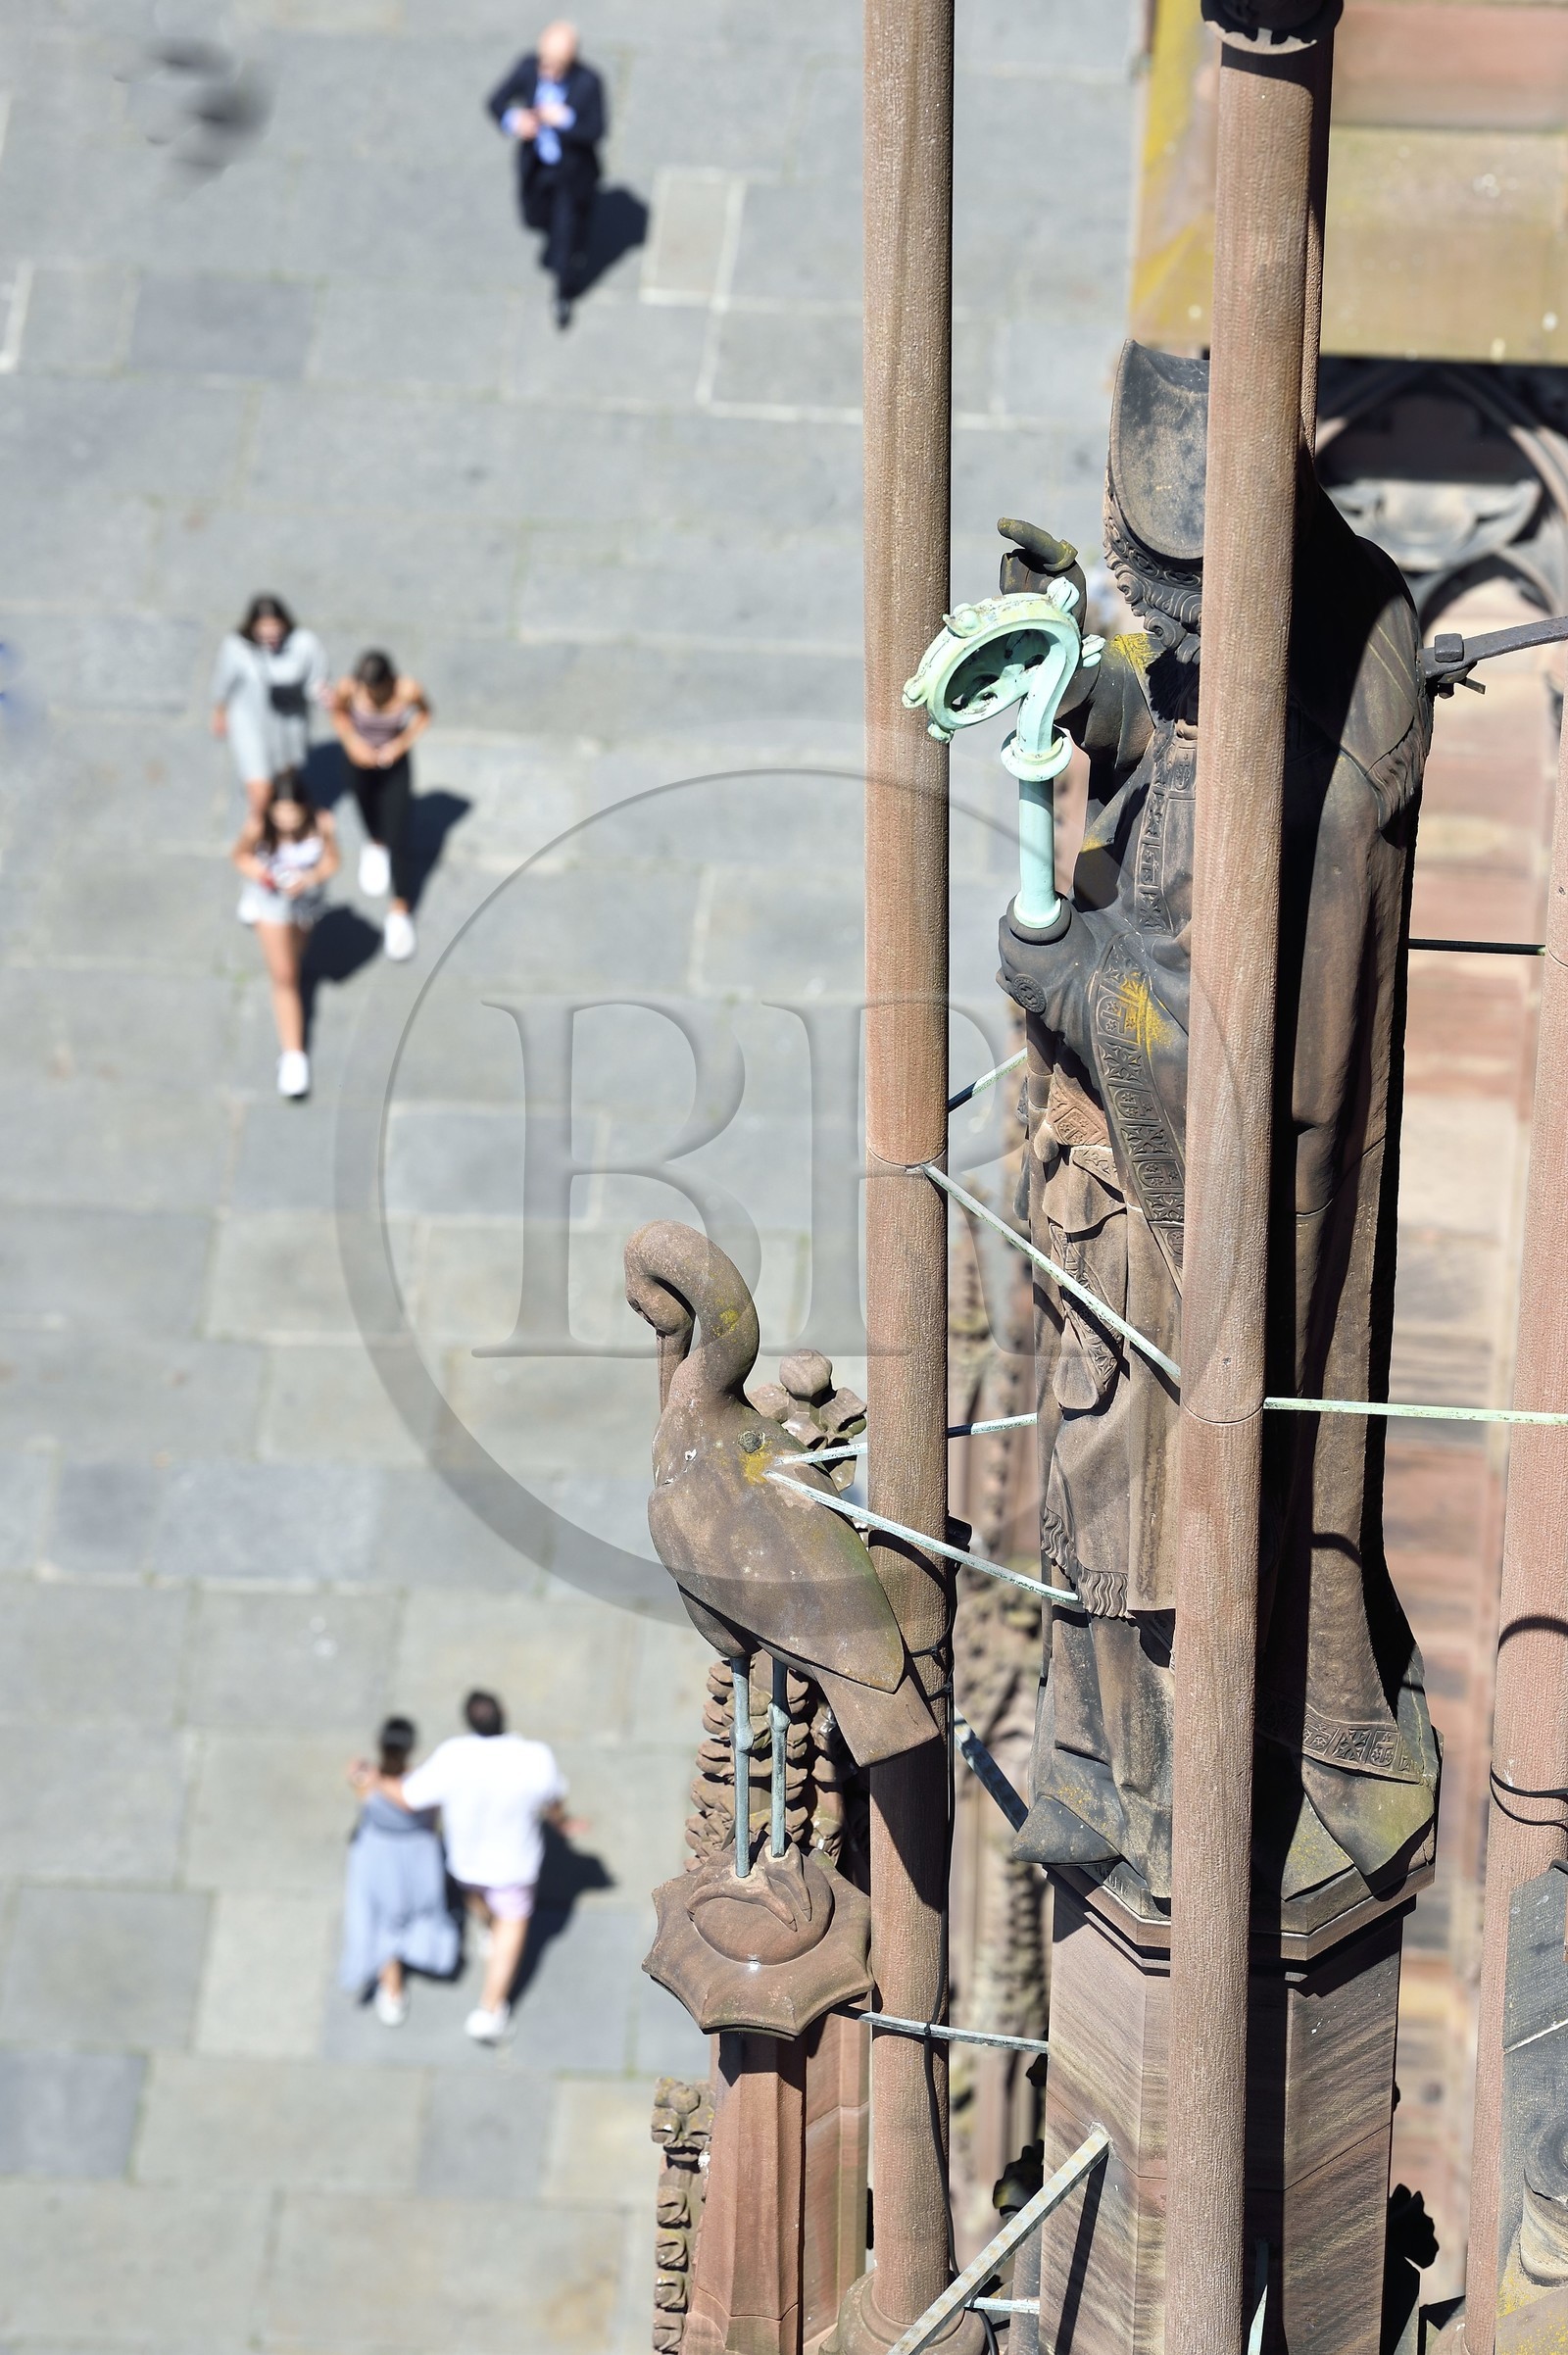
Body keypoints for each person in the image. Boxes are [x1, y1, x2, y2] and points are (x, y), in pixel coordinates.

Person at [358, 1689, 572, 2043]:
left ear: (469, 1720)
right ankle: (489, 2011)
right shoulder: (535, 1757)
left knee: (478, 1899)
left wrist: (374, 1779)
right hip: (515, 1866)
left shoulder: (452, 1755)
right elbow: (554, 1798)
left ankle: (487, 1931)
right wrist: (561, 1822)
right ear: (503, 1711)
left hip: (466, 1863)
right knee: (513, 1924)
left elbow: (410, 1798)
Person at [341, 1716, 461, 2028]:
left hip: (377, 1852)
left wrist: (366, 1778)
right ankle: (421, 1953)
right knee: (419, 1909)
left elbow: (363, 1800)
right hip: (418, 1852)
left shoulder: (365, 1778)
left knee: (379, 1916)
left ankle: (390, 1987)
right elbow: (432, 1817)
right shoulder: (421, 1784)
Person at [487, 23, 606, 329]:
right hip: (536, 167)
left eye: (555, 65)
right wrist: (515, 120)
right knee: (533, 218)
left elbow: (596, 130)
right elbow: (496, 102)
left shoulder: (588, 83)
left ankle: (564, 294)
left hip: (570, 175)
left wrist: (565, 120)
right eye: (545, 62)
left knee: (565, 241)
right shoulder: (528, 69)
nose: (547, 70)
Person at [230, 768, 339, 1099]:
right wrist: (267, 876)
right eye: (281, 815)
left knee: (297, 953)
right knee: (285, 975)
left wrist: (308, 879)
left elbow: (332, 862)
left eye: (294, 814)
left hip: (306, 901)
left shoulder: (321, 825)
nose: (288, 823)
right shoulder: (258, 827)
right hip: (272, 900)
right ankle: (293, 1055)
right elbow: (241, 856)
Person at [327, 650, 431, 963]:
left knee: (399, 832)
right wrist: (352, 743)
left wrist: (399, 745)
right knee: (365, 807)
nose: (372, 695)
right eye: (368, 691)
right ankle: (375, 844)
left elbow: (424, 715)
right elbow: (338, 712)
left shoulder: (408, 690)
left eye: (378, 690)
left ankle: (399, 907)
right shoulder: (349, 688)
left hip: (394, 765)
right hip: (360, 763)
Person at [210, 595, 329, 816]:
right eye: (263, 626)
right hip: (250, 723)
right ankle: (259, 831)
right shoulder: (236, 647)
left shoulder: (304, 643)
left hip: (289, 723)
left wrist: (325, 697)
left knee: (287, 772)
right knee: (260, 791)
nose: (270, 632)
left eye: (275, 625)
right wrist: (219, 711)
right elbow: (223, 681)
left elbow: (316, 681)